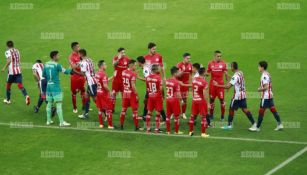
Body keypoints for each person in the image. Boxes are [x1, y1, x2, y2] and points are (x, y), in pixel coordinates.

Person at [213, 62, 256, 130]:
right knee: (244, 109)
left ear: (233, 67)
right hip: (243, 94)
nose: (230, 68)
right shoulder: (240, 72)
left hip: (237, 96)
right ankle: (254, 123)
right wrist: (229, 75)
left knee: (231, 109)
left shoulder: (235, 76)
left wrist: (217, 85)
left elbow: (227, 86)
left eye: (231, 67)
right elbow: (236, 80)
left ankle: (229, 125)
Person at [249, 61, 283, 132]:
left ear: (262, 67)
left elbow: (266, 87)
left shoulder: (264, 75)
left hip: (266, 96)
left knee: (261, 111)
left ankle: (257, 127)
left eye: (259, 66)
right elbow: (270, 85)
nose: (258, 68)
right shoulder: (267, 73)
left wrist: (259, 89)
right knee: (273, 109)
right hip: (270, 95)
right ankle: (280, 124)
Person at [42, 51, 73, 126]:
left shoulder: (46, 64)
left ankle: (48, 121)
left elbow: (43, 75)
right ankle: (61, 122)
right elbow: (66, 72)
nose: (59, 57)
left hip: (48, 86)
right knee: (58, 103)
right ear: (54, 56)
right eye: (58, 55)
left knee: (49, 103)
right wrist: (72, 67)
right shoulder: (57, 65)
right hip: (55, 87)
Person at [143, 43, 167, 122]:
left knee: (158, 98)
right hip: (150, 82)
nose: (155, 50)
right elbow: (144, 69)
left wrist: (164, 77)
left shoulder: (159, 56)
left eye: (155, 49)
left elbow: (162, 67)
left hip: (158, 81)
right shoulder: (145, 58)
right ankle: (145, 114)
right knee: (147, 98)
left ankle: (162, 116)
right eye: (153, 49)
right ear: (149, 49)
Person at [2, 40, 30, 105]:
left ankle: (8, 100)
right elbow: (19, 60)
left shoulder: (7, 52)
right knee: (20, 84)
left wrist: (4, 68)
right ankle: (26, 96)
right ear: (12, 45)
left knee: (8, 85)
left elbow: (9, 61)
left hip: (11, 72)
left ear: (7, 46)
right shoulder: (17, 50)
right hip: (18, 70)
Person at [206, 50, 229, 121]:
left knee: (222, 100)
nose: (219, 57)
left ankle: (222, 116)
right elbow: (207, 73)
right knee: (211, 100)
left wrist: (228, 83)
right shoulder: (210, 63)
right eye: (218, 56)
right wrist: (203, 74)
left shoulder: (224, 63)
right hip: (212, 85)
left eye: (220, 56)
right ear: (214, 56)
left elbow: (226, 74)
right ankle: (211, 115)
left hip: (220, 85)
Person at [120, 60, 142, 131]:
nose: (136, 66)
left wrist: (134, 74)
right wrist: (136, 94)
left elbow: (127, 76)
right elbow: (133, 85)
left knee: (123, 110)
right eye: (135, 65)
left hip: (125, 93)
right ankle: (136, 126)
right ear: (131, 65)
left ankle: (121, 125)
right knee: (135, 111)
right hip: (131, 94)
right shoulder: (132, 74)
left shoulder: (123, 72)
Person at [189, 67, 210, 138]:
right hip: (201, 101)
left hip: (194, 100)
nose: (207, 72)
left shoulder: (194, 80)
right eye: (206, 71)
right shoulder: (204, 82)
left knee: (192, 116)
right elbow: (205, 93)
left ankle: (191, 131)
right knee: (203, 117)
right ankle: (203, 133)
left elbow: (192, 88)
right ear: (204, 73)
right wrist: (208, 103)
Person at [78, 49, 97, 119]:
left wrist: (73, 72)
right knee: (86, 96)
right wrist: (79, 63)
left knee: (95, 98)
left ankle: (106, 113)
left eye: (79, 54)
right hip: (93, 79)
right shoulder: (89, 60)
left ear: (81, 54)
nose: (78, 55)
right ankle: (86, 114)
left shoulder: (83, 63)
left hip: (91, 82)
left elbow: (83, 73)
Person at [95, 60, 114, 129]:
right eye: (105, 65)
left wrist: (112, 77)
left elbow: (102, 82)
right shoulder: (104, 74)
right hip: (104, 94)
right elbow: (105, 85)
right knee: (108, 109)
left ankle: (101, 124)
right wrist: (110, 92)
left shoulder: (96, 74)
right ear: (102, 66)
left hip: (98, 92)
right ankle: (110, 125)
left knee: (100, 109)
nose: (106, 66)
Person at [145, 65, 164, 133]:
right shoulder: (158, 78)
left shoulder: (147, 78)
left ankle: (148, 129)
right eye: (158, 69)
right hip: (157, 96)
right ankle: (156, 129)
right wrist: (162, 96)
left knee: (149, 112)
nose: (159, 70)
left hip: (150, 96)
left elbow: (147, 88)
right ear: (155, 70)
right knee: (158, 113)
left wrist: (150, 93)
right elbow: (161, 88)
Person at [68, 42, 86, 113]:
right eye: (78, 47)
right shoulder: (71, 57)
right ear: (74, 48)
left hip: (82, 77)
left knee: (83, 92)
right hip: (75, 78)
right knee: (74, 93)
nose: (79, 48)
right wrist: (80, 63)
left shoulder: (81, 54)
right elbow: (73, 67)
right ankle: (75, 107)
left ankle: (84, 106)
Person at [111, 48, 130, 112]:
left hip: (123, 80)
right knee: (113, 94)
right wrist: (118, 59)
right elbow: (114, 65)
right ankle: (112, 108)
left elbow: (130, 67)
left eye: (124, 52)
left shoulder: (127, 59)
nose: (123, 54)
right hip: (116, 80)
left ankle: (124, 109)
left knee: (124, 95)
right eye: (122, 52)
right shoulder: (115, 58)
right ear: (119, 53)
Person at [166, 66, 183, 135]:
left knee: (168, 115)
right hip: (174, 100)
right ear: (175, 73)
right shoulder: (176, 82)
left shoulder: (167, 80)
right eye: (178, 72)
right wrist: (181, 100)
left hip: (168, 99)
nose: (179, 73)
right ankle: (176, 131)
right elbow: (178, 94)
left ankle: (168, 131)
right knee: (176, 116)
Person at [176, 53, 193, 119]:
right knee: (177, 99)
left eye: (189, 58)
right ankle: (174, 113)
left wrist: (190, 84)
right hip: (179, 84)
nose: (189, 60)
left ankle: (183, 113)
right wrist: (183, 71)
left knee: (185, 99)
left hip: (186, 85)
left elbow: (191, 75)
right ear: (184, 58)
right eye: (187, 58)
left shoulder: (190, 65)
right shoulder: (179, 65)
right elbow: (177, 75)